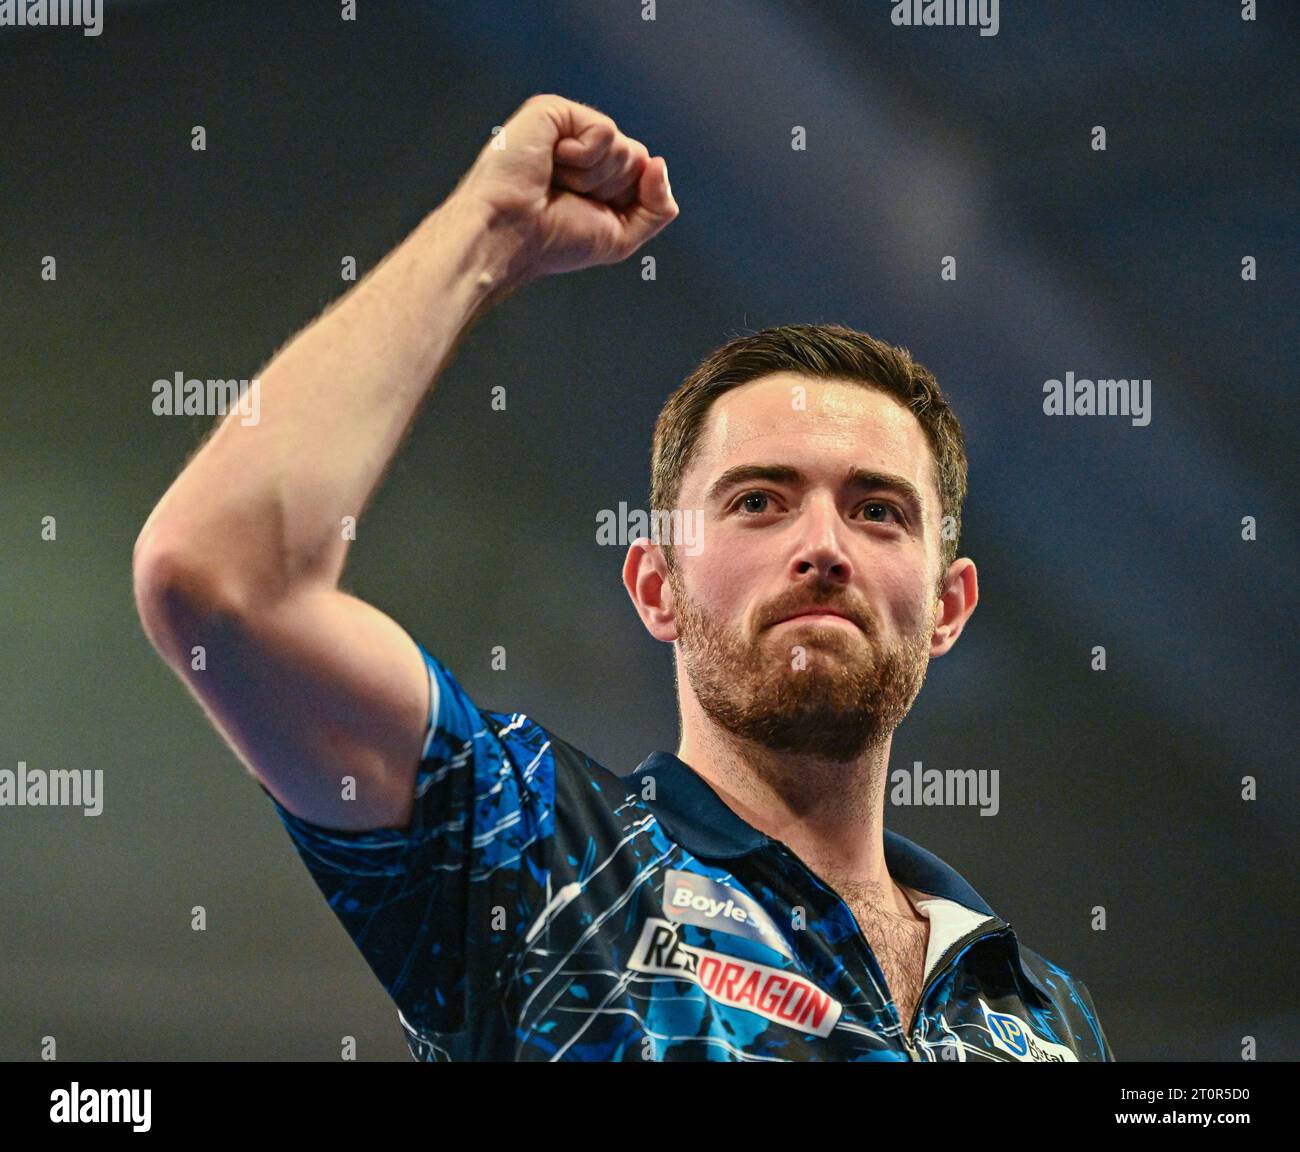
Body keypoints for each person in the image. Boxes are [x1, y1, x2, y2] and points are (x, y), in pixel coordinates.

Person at [133, 94, 1112, 1062]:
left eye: (878, 510)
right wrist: (488, 232)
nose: (825, 545)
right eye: (759, 502)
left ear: (947, 607)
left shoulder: (1039, 1015)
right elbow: (222, 578)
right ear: (655, 587)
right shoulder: (535, 850)